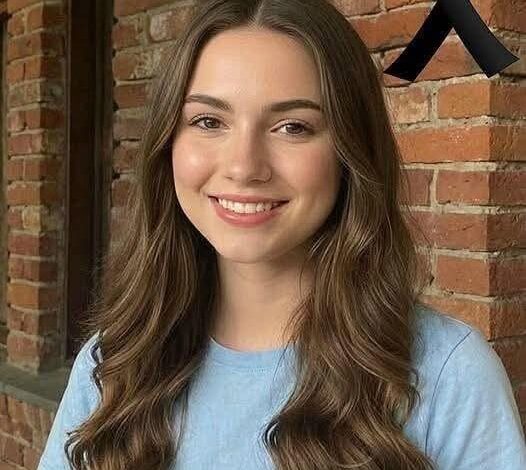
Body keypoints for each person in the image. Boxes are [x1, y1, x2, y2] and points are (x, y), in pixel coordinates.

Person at [37, 0, 526, 469]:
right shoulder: (113, 364)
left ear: (350, 152)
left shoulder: (447, 375)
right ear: (168, 143)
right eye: (208, 121)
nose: (244, 166)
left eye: (292, 127)